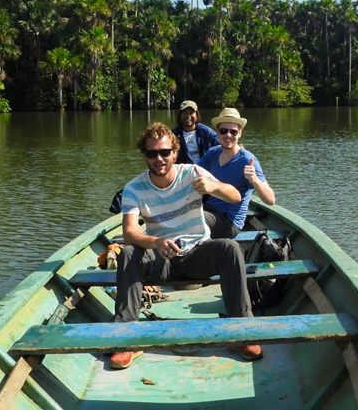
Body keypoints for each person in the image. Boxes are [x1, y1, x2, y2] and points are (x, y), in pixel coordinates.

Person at [110, 122, 263, 369]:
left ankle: (242, 332)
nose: (159, 159)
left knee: (230, 248)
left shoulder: (192, 173)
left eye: (165, 152)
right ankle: (126, 338)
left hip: (197, 255)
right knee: (128, 253)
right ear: (145, 156)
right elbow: (129, 232)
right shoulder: (133, 188)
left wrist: (214, 187)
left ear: (175, 152)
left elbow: (235, 196)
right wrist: (156, 242)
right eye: (152, 154)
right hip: (162, 259)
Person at [198, 108, 276, 239]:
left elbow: (270, 200)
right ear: (217, 132)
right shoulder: (213, 153)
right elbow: (193, 172)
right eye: (223, 131)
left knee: (196, 220)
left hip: (229, 222)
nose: (228, 135)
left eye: (233, 132)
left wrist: (255, 180)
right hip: (210, 209)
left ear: (239, 133)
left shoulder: (247, 160)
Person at [172, 100, 219, 164]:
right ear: (180, 115)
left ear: (197, 115)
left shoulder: (206, 131)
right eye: (185, 112)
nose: (188, 116)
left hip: (204, 169)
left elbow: (221, 144)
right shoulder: (173, 134)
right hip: (184, 170)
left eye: (191, 112)